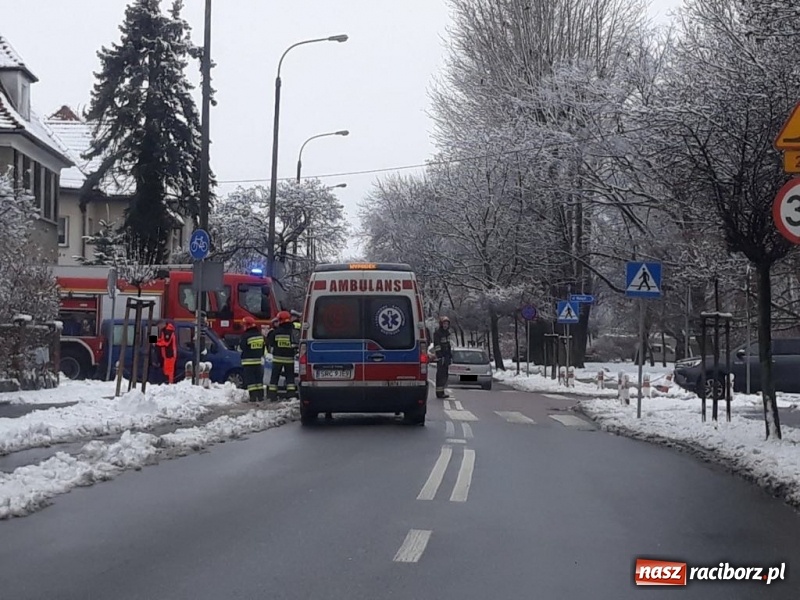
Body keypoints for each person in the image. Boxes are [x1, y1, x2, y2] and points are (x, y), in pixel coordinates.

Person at [267, 310, 297, 402]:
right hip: (290, 359)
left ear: (280, 320)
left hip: (277, 359)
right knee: (290, 379)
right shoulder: (293, 332)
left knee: (274, 379)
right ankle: (291, 395)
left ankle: (272, 396)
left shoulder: (276, 332)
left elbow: (270, 343)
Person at [239, 316, 266, 402]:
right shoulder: (260, 336)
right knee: (259, 381)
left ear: (247, 326)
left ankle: (253, 398)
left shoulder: (245, 336)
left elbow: (241, 348)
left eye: (244, 325)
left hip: (248, 363)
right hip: (258, 362)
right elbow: (263, 348)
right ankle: (260, 397)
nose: (243, 327)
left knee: (251, 382)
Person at [433, 316, 455, 399]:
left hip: (446, 357)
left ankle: (442, 391)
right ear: (441, 324)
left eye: (447, 324)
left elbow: (448, 345)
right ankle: (439, 392)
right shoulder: (438, 333)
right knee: (440, 375)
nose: (445, 325)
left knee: (445, 375)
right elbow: (437, 345)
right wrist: (440, 355)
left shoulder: (447, 334)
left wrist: (450, 356)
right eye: (444, 323)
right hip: (441, 357)